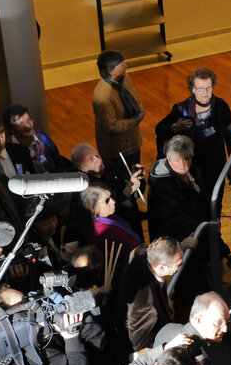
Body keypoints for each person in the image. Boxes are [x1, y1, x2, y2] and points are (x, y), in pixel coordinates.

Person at [148, 135, 218, 320]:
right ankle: (184, 319)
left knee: (199, 281)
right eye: (179, 160)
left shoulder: (192, 170)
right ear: (169, 159)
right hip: (180, 243)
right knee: (186, 286)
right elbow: (172, 220)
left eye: (188, 158)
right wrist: (203, 225)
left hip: (198, 237)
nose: (185, 163)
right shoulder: (162, 185)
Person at [154, 67, 231, 200]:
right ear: (193, 89)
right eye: (201, 88)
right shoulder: (182, 109)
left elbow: (230, 137)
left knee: (215, 203)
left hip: (216, 166)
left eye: (209, 88)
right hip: (192, 169)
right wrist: (176, 127)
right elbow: (159, 129)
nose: (206, 92)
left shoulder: (221, 106)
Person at [120, 236, 194, 352]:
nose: (182, 264)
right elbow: (140, 346)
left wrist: (182, 245)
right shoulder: (146, 309)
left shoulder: (141, 252)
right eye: (178, 264)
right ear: (162, 268)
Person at [154, 292, 231, 365]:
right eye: (218, 322)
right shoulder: (199, 362)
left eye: (227, 322)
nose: (225, 329)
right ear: (199, 319)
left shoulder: (168, 327)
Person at [70, 142, 145, 241]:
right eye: (91, 159)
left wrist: (138, 178)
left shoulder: (110, 166)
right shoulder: (86, 186)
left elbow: (137, 193)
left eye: (97, 155)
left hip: (133, 221)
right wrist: (127, 192)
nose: (98, 159)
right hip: (115, 231)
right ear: (80, 167)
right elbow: (107, 213)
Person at [93, 50, 145, 168]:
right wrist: (135, 121)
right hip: (117, 150)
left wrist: (141, 111)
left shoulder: (125, 78)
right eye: (122, 64)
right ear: (111, 70)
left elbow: (135, 97)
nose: (126, 65)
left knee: (137, 175)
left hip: (133, 142)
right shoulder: (102, 97)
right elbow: (111, 126)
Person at [79, 183, 145, 275]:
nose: (113, 201)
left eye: (111, 197)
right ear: (91, 207)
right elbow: (138, 251)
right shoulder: (105, 231)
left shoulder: (98, 220)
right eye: (107, 201)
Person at [2, 103, 68, 174]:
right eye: (21, 124)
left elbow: (58, 162)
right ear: (12, 129)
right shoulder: (9, 149)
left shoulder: (42, 137)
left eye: (29, 120)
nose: (28, 126)